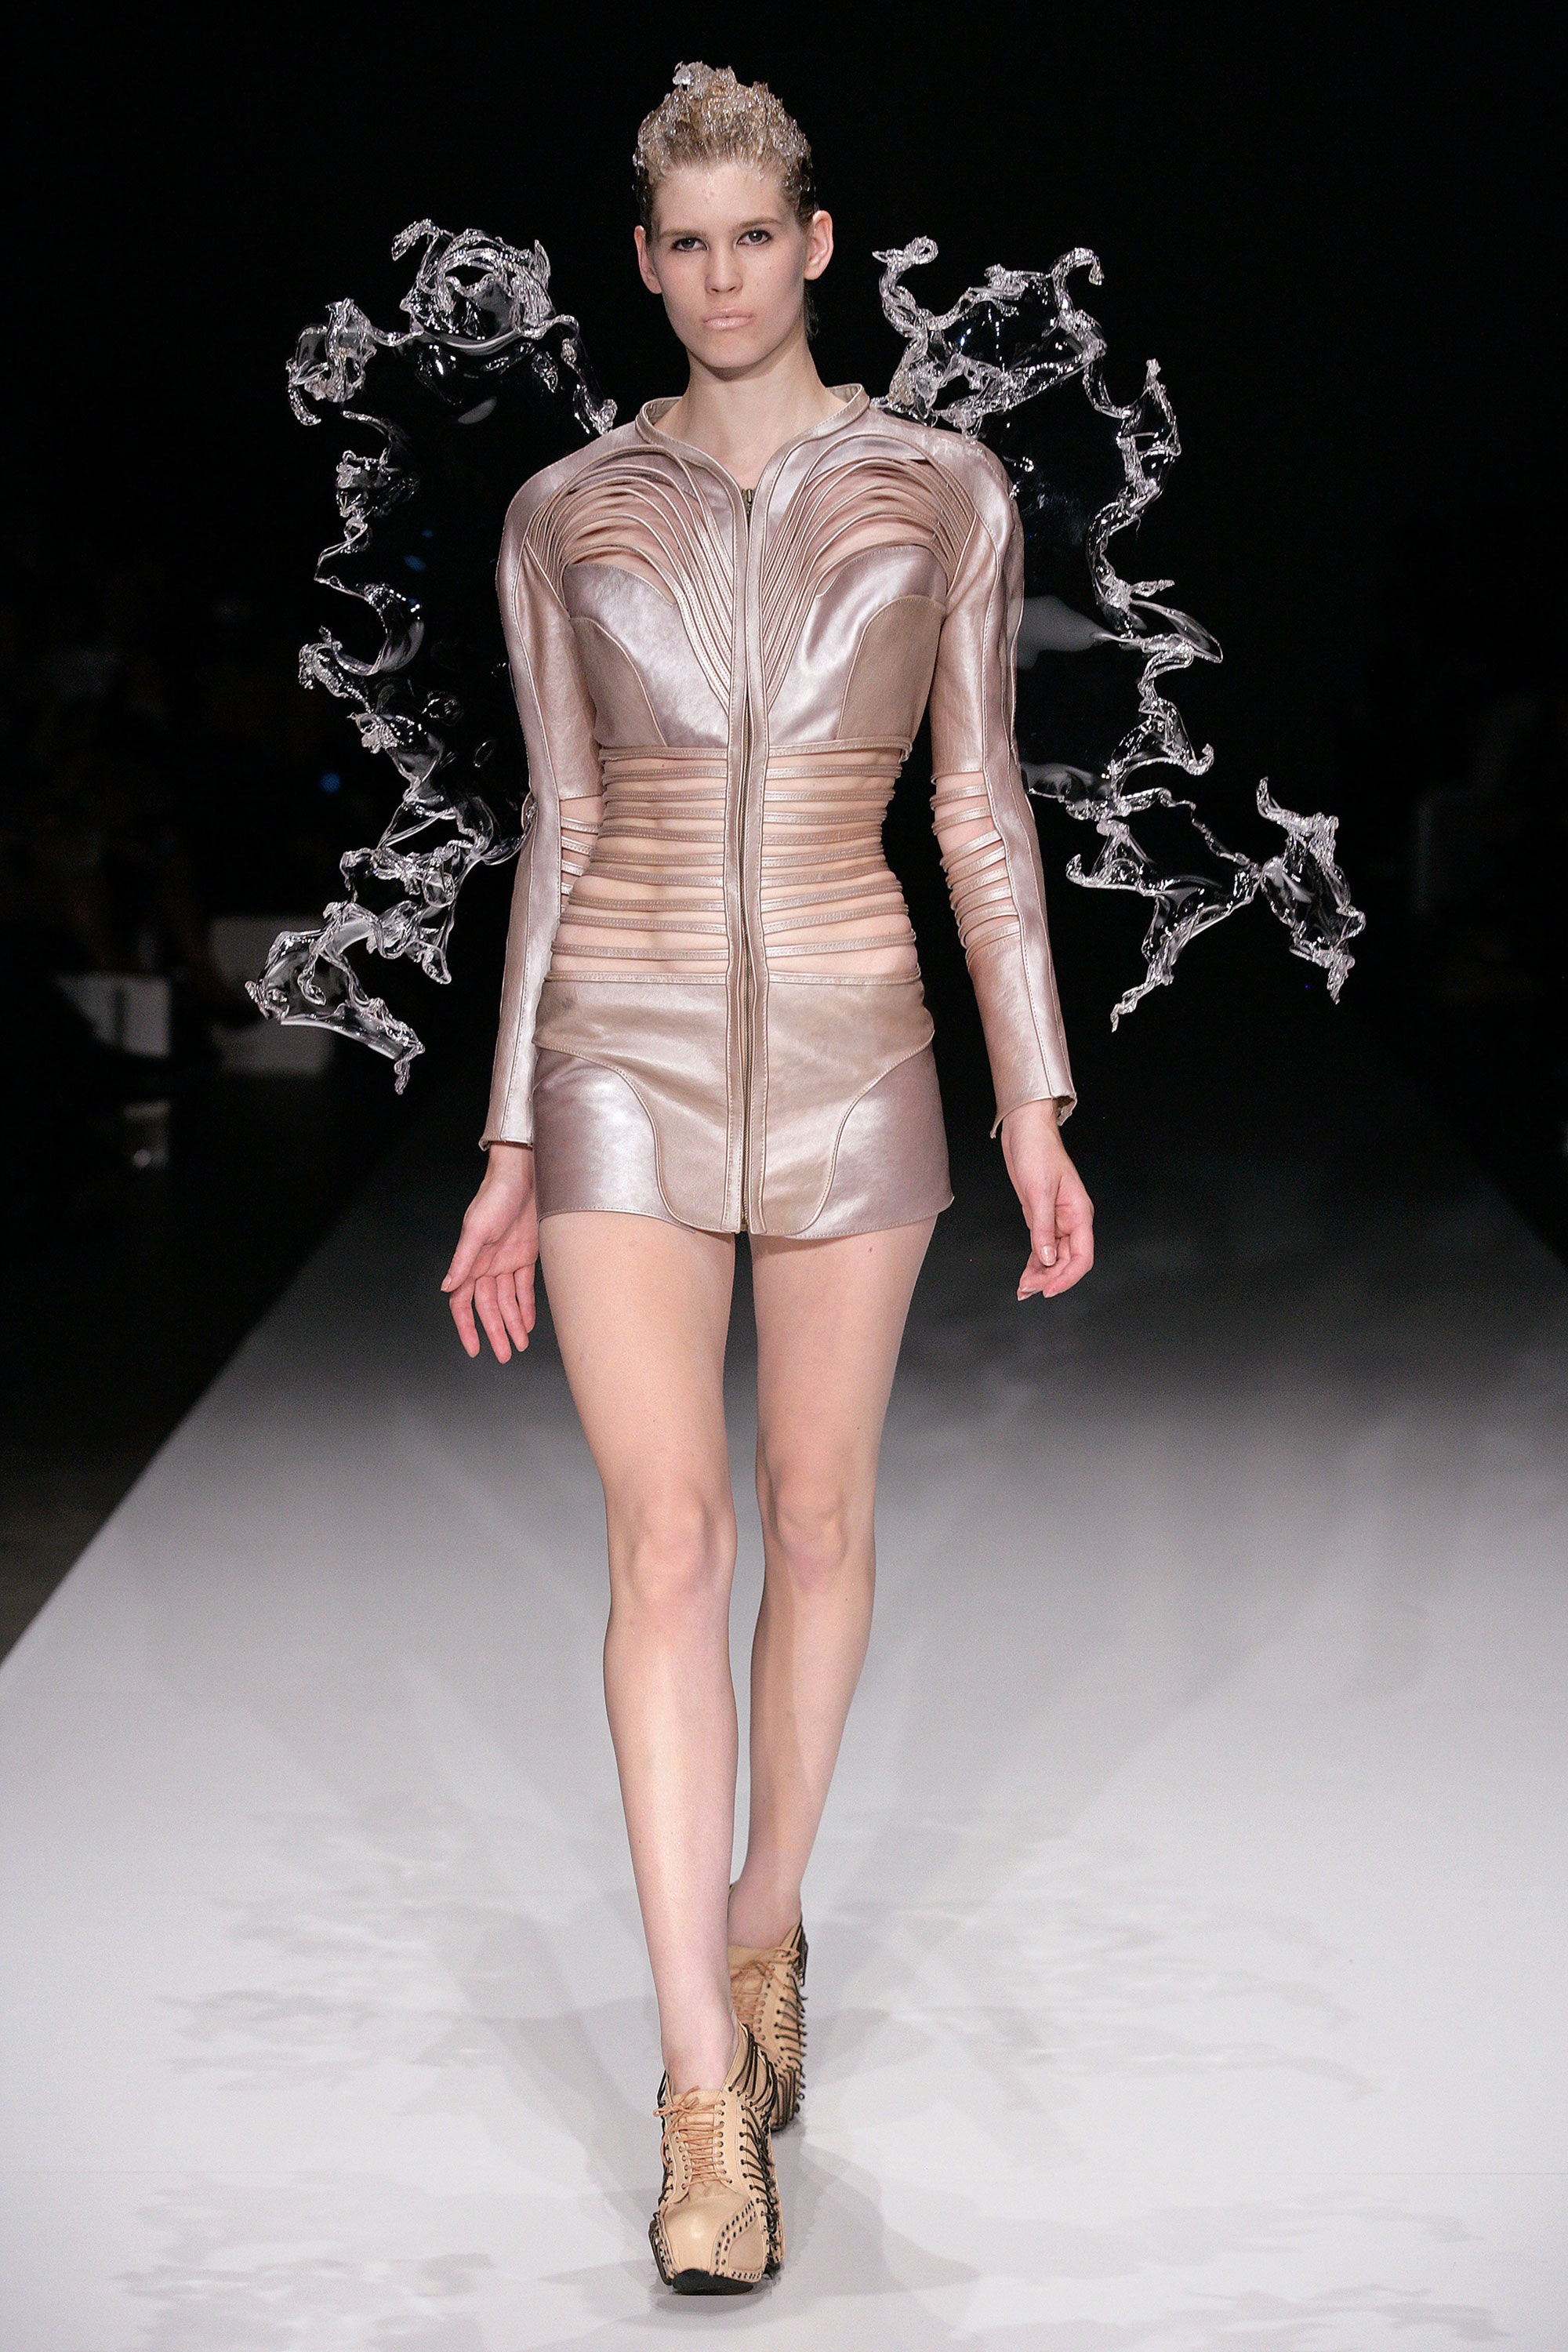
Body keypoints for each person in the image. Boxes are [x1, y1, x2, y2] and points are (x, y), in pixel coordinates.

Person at [441, 61, 1094, 2296]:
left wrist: (1032, 1100)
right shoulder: (563, 511)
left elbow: (981, 806)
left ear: (816, 244)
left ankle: (764, 1913)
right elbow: (559, 822)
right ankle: (701, 2102)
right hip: (617, 1040)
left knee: (815, 1520)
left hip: (853, 1036)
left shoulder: (943, 488)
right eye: (685, 246)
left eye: (756, 238)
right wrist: (512, 1135)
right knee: (671, 1538)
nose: (723, 279)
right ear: (644, 265)